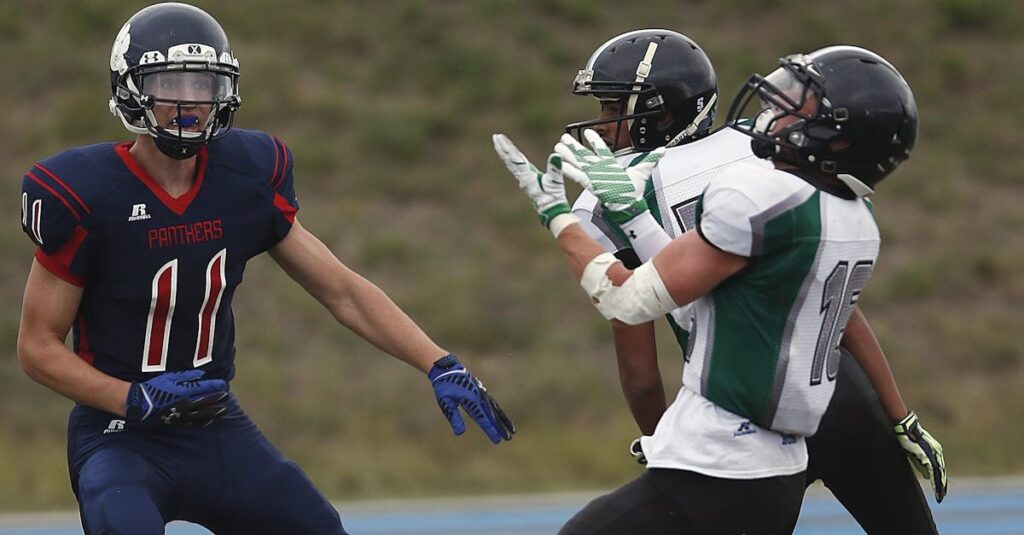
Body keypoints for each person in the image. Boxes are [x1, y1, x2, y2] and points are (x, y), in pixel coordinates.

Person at [17, 3, 513, 534]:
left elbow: (341, 290)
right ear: (130, 88)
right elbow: (37, 347)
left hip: (213, 424)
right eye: (169, 84)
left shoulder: (245, 174)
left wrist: (437, 362)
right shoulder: (85, 191)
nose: (188, 103)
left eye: (203, 86)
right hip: (119, 432)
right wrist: (132, 397)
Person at [495, 36, 940, 534]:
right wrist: (898, 413)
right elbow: (806, 307)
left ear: (659, 113)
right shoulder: (841, 206)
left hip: (741, 419)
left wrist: (562, 218)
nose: (601, 120)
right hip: (834, 393)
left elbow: (641, 318)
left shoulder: (739, 190)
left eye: (613, 106)